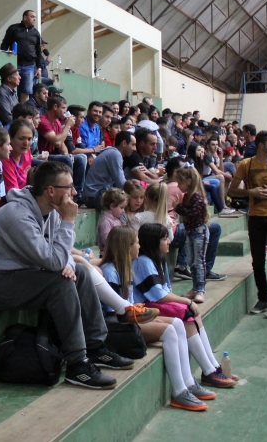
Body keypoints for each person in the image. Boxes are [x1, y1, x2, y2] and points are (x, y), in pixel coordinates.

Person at [0, 161, 130, 390]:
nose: (75, 192)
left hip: (23, 275)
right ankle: (77, 364)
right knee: (60, 284)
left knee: (82, 271)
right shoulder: (18, 215)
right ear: (51, 191)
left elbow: (59, 253)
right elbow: (53, 260)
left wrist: (67, 263)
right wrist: (69, 223)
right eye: (70, 187)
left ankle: (95, 347)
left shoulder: (51, 211)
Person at [101, 226, 225, 411]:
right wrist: (146, 320)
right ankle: (179, 391)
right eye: (136, 242)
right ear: (126, 247)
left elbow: (131, 305)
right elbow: (113, 314)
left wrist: (146, 319)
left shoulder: (125, 267)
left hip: (129, 321)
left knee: (176, 323)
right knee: (168, 331)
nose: (139, 246)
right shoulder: (110, 272)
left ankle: (188, 383)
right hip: (117, 329)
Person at [133, 224, 236, 388]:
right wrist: (187, 301)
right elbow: (158, 295)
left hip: (154, 303)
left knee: (193, 313)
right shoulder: (144, 262)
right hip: (144, 307)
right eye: (164, 238)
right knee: (186, 312)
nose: (169, 242)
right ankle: (209, 371)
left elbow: (165, 291)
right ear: (153, 242)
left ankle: (214, 366)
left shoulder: (159, 258)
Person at [229, 130, 267, 317]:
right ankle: (263, 299)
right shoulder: (246, 165)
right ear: (261, 145)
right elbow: (232, 190)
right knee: (258, 261)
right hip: (255, 216)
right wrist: (251, 192)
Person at [173, 167, 210, 303]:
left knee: (199, 262)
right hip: (190, 232)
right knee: (191, 263)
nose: (178, 185)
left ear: (189, 181)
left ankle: (200, 289)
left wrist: (178, 207)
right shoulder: (188, 195)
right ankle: (195, 288)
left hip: (199, 232)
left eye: (180, 183)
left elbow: (192, 213)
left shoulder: (197, 195)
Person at [39, 95, 88, 195]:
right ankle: (69, 190)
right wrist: (68, 126)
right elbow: (56, 142)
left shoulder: (56, 122)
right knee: (67, 159)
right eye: (63, 108)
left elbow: (61, 144)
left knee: (81, 158)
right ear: (55, 107)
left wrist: (66, 153)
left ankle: (78, 193)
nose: (65, 111)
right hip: (43, 156)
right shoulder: (43, 121)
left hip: (54, 154)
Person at [82, 131, 136, 208]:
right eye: (133, 145)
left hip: (93, 195)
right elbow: (121, 183)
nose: (134, 149)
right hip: (94, 196)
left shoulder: (112, 152)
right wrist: (136, 189)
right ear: (124, 143)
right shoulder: (115, 154)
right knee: (128, 202)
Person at [0, 10, 44, 103]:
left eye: (35, 17)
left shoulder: (36, 33)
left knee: (26, 91)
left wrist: (39, 68)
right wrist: (5, 60)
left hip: (30, 66)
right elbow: (4, 45)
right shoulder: (13, 29)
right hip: (15, 65)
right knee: (10, 88)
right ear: (25, 18)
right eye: (32, 17)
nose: (34, 19)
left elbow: (38, 51)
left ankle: (23, 114)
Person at [2, 119, 35, 192]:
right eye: (21, 138)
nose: (26, 143)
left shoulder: (27, 152)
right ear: (11, 138)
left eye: (29, 139)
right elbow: (15, 194)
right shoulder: (5, 160)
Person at [97, 188, 128, 254]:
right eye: (121, 208)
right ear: (112, 206)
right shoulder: (106, 221)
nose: (123, 211)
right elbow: (106, 240)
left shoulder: (116, 219)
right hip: (108, 255)